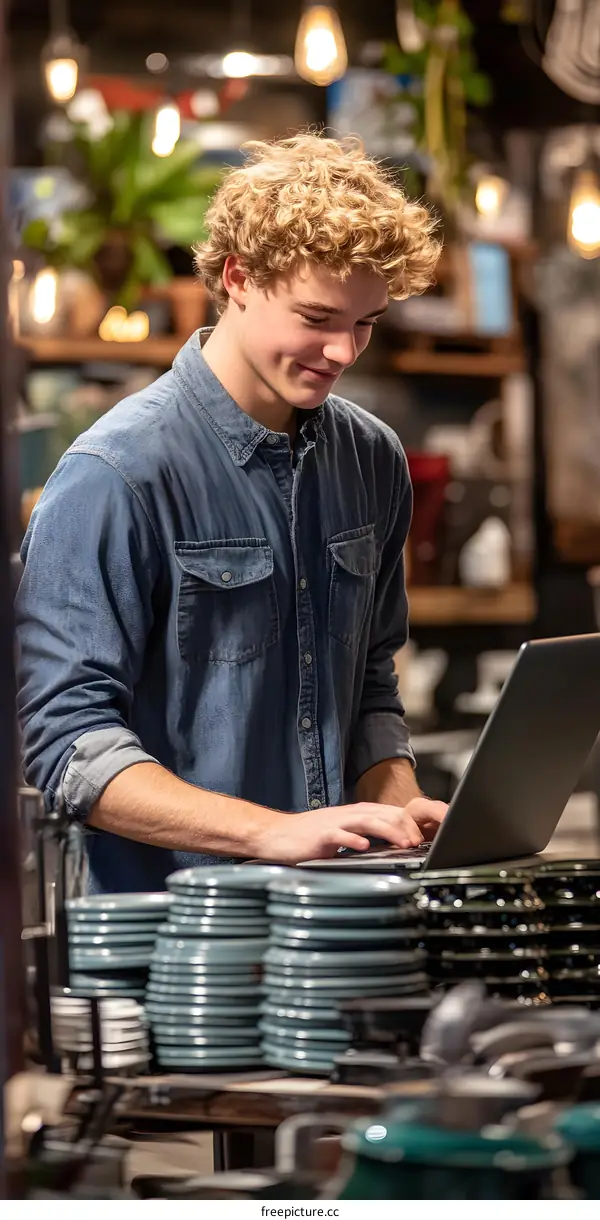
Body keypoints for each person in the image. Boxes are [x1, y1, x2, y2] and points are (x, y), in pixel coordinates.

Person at [16, 132, 447, 894]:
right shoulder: (114, 474)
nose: (344, 351)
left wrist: (399, 805)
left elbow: (370, 682)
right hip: (172, 952)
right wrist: (270, 832)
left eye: (366, 322)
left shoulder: (373, 460)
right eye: (317, 317)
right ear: (239, 277)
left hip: (333, 929)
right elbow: (68, 748)